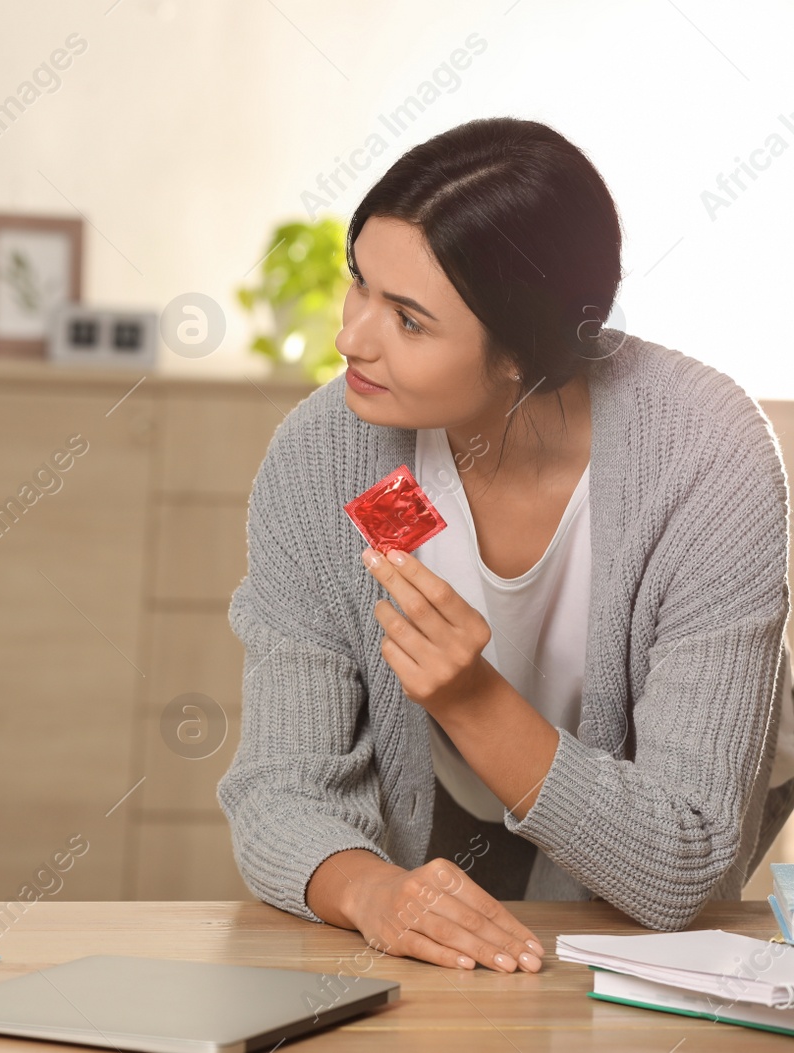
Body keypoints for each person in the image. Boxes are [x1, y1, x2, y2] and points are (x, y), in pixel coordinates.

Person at [218, 116, 794, 974]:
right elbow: (279, 790)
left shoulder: (704, 451)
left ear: (525, 354)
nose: (352, 338)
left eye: (409, 319)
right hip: (439, 801)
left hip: (647, 823)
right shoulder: (332, 453)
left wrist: (469, 698)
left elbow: (681, 857)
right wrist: (375, 893)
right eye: (359, 283)